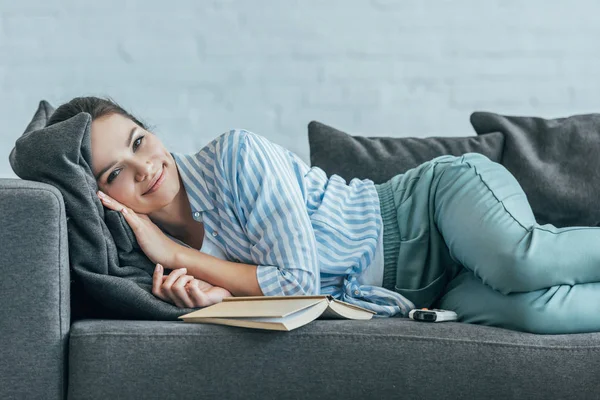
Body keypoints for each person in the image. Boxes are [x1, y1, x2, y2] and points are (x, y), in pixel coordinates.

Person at [46, 96, 600, 334]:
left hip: (432, 208)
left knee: (520, 264)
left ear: (153, 130)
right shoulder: (156, 269)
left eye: (138, 140)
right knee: (538, 317)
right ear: (104, 199)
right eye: (114, 173)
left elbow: (298, 283)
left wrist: (178, 255)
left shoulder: (237, 156)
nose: (143, 167)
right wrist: (218, 297)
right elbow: (292, 307)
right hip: (421, 295)